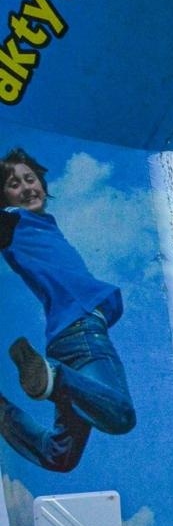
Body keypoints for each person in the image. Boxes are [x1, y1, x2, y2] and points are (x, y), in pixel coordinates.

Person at [0, 148, 136, 473]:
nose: (27, 187)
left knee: (58, 456)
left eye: (30, 179)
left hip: (62, 342)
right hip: (83, 332)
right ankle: (53, 376)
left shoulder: (42, 225)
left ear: (43, 184)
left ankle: (9, 407)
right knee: (120, 416)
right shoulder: (13, 222)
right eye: (14, 184)